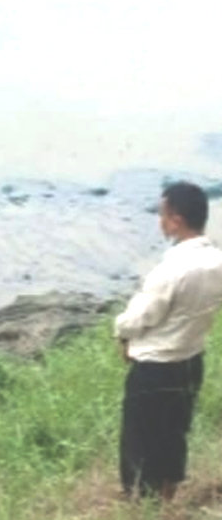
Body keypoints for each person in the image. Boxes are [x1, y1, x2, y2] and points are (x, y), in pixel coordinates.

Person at [115, 181, 222, 502]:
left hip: (155, 367)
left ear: (176, 220)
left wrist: (120, 331)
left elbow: (140, 317)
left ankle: (141, 503)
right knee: (175, 432)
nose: (160, 221)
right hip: (192, 359)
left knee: (140, 439)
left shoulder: (170, 270)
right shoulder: (217, 261)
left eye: (162, 214)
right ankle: (167, 497)